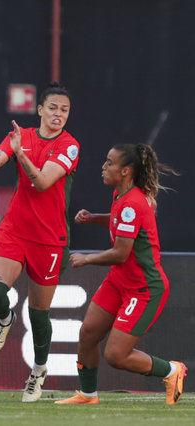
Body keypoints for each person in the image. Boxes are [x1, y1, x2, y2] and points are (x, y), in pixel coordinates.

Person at [55, 144, 185, 405]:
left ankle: (173, 371)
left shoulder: (133, 202)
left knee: (116, 356)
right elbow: (120, 221)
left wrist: (88, 259)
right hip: (120, 281)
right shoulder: (121, 196)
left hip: (144, 288)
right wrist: (94, 218)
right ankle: (88, 395)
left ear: (125, 171)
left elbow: (121, 253)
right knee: (88, 333)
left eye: (109, 162)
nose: (104, 167)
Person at [0, 82, 80, 402]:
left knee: (38, 313)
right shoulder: (21, 136)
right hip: (15, 230)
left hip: (49, 240)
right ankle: (6, 318)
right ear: (40, 110)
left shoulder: (70, 145)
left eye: (64, 110)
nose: (58, 115)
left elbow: (42, 181)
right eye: (53, 108)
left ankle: (37, 371)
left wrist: (19, 152)